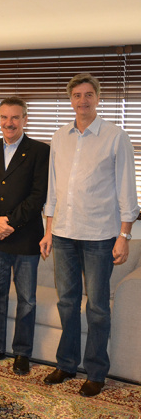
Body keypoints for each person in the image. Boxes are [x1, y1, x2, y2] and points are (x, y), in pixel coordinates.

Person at [40, 73, 139, 397]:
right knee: (67, 302)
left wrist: (124, 234)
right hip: (65, 234)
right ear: (70, 100)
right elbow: (53, 190)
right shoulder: (59, 137)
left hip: (100, 236)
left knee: (97, 306)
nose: (82, 100)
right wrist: (49, 231)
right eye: (77, 95)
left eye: (88, 95)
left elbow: (127, 190)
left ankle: (95, 371)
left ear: (98, 98)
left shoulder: (115, 136)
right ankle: (66, 364)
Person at [0, 96, 49, 375]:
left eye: (15, 117)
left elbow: (38, 195)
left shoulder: (40, 151)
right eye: (4, 117)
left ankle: (22, 352)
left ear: (25, 119)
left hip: (25, 236)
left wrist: (10, 224)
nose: (9, 123)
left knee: (27, 299)